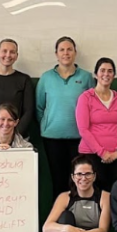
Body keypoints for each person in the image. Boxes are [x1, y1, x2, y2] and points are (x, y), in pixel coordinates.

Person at [36, 35, 93, 194]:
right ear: (56, 54)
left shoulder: (86, 77)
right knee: (58, 180)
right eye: (62, 50)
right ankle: (58, 217)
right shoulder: (46, 78)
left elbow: (93, 106)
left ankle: (77, 216)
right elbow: (39, 107)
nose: (66, 53)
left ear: (75, 53)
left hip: (79, 138)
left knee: (79, 181)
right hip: (52, 138)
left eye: (69, 49)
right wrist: (48, 124)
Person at [76, 57, 117, 189]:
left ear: (114, 75)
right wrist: (102, 152)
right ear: (96, 74)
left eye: (110, 71)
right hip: (92, 154)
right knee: (98, 189)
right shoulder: (86, 97)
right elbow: (83, 129)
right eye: (102, 70)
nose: (106, 74)